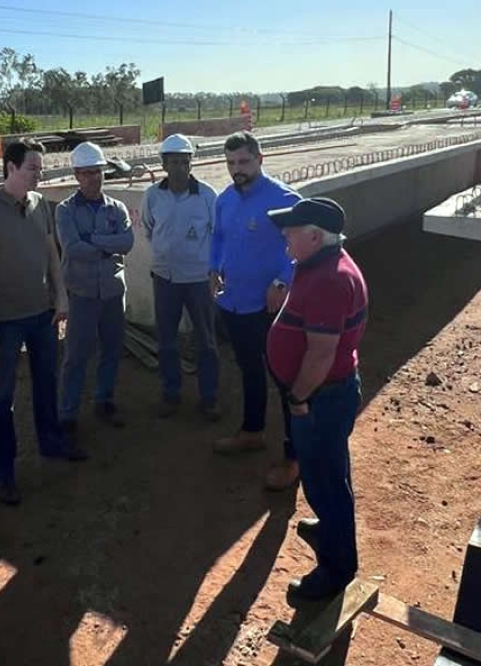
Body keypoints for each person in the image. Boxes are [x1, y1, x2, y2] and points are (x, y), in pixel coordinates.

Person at [0, 139, 84, 507]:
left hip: (40, 314)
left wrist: (60, 295)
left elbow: (50, 251)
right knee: (2, 398)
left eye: (40, 167)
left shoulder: (38, 205)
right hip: (3, 320)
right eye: (32, 167)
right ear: (10, 167)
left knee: (48, 380)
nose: (39, 173)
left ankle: (52, 441)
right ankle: (3, 473)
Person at [266, 197, 368, 602]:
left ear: (313, 235)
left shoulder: (329, 279)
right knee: (329, 472)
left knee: (325, 481)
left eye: (290, 233)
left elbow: (321, 353)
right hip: (326, 395)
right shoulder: (318, 265)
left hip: (320, 398)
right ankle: (330, 529)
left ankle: (337, 569)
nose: (285, 238)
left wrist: (297, 398)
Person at [210, 131, 302, 491]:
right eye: (231, 163)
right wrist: (213, 266)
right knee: (249, 368)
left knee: (285, 380)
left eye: (244, 162)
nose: (238, 170)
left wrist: (283, 280)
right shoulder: (224, 200)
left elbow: (305, 246)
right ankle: (252, 431)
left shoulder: (284, 200)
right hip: (235, 302)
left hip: (271, 307)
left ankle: (294, 456)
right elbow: (218, 237)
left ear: (260, 159)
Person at [55, 142, 135, 440]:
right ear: (76, 174)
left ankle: (104, 400)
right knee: (76, 355)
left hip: (113, 293)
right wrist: (107, 244)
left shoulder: (117, 208)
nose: (93, 178)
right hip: (83, 293)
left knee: (112, 351)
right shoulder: (65, 210)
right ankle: (68, 413)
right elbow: (73, 249)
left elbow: (126, 243)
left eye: (98, 172)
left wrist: (95, 240)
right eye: (87, 173)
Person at [139, 134, 222, 421]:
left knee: (206, 340)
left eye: (185, 162)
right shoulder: (152, 196)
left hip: (199, 279)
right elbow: (150, 229)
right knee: (167, 340)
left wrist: (215, 271)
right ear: (163, 164)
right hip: (165, 279)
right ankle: (171, 393)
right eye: (173, 162)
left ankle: (209, 397)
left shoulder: (208, 195)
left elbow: (218, 234)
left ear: (191, 163)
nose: (179, 168)